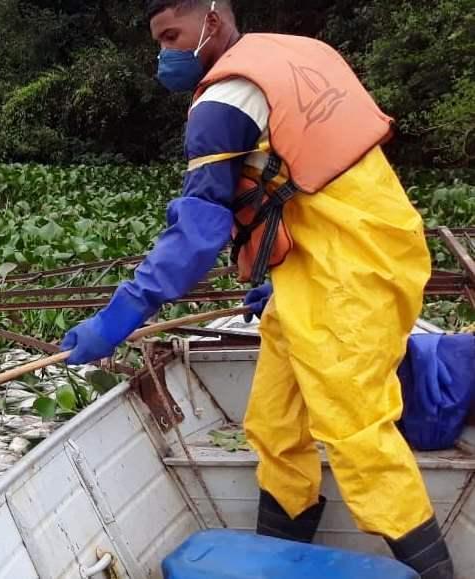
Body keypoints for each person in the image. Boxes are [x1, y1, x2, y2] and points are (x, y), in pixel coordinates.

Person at [59, 1, 453, 577]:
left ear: (212, 21)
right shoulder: (297, 52)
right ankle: (277, 559)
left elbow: (198, 230)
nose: (165, 53)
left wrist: (123, 313)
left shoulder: (223, 101)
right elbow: (315, 178)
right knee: (274, 423)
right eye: (158, 40)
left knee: (355, 431)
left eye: (173, 35)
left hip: (352, 275)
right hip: (352, 254)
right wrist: (285, 280)